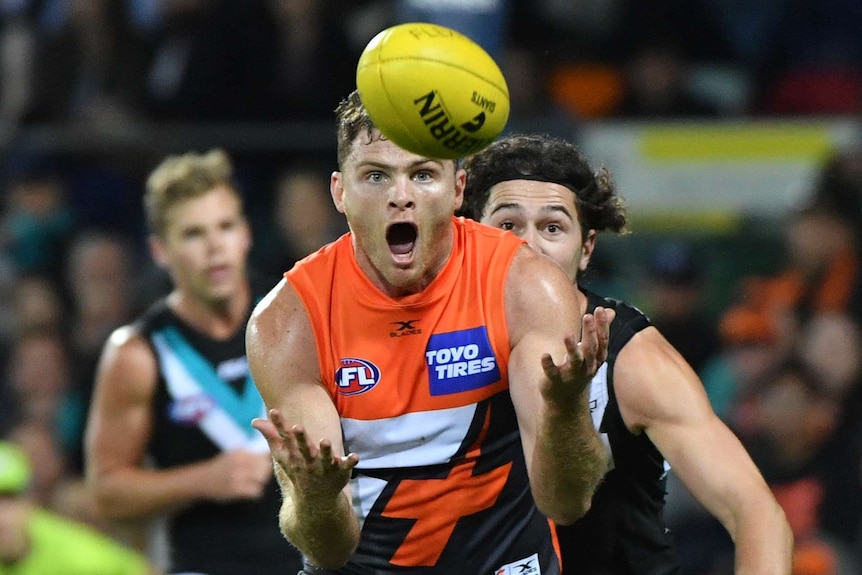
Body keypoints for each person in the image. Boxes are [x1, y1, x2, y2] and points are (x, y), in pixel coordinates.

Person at [246, 90, 614, 575]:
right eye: (376, 175)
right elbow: (328, 549)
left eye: (423, 175)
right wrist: (315, 498)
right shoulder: (288, 324)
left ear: (458, 189)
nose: (402, 195)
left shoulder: (524, 288)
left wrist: (567, 411)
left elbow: (566, 504)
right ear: (340, 193)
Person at [458, 133, 793, 574]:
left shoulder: (633, 360)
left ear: (587, 250)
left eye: (553, 227)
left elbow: (756, 515)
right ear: (469, 237)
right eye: (507, 225)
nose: (529, 246)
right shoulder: (427, 341)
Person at [83, 149, 303, 575]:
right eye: (193, 234)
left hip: (312, 563)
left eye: (225, 226)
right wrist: (203, 479)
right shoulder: (138, 354)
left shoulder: (295, 321)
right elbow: (106, 493)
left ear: (246, 234)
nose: (215, 247)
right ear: (160, 251)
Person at [0, 439, 159, 575]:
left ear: (30, 501)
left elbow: (140, 570)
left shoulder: (77, 555)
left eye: (9, 499)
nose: (2, 516)